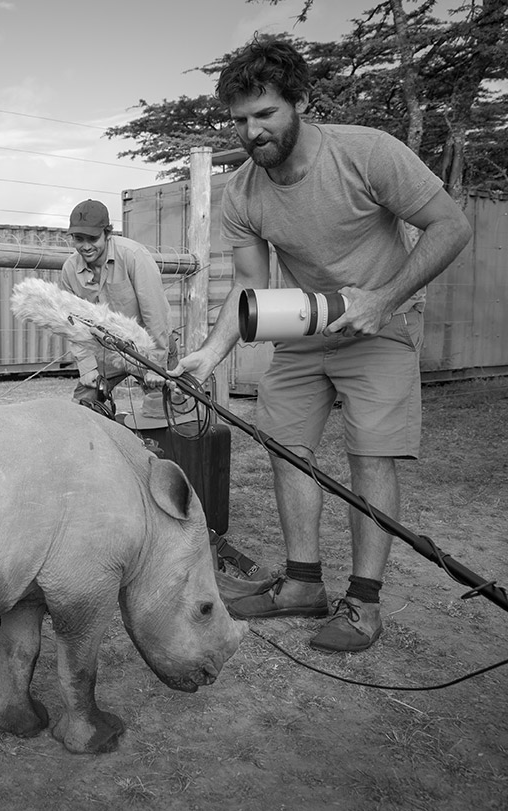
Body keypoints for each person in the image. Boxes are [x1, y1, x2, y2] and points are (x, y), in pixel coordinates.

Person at [172, 40, 472, 652]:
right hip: (304, 331)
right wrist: (210, 353)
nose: (252, 133)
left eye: (264, 115)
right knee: (286, 448)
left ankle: (364, 602)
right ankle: (302, 584)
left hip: (377, 329)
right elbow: (251, 287)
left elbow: (451, 225)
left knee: (371, 459)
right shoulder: (243, 193)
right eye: (239, 121)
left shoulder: (368, 152)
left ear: (301, 102)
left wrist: (383, 298)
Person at [59, 199, 171, 416]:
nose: (86, 246)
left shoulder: (133, 256)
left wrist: (156, 364)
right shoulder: (69, 270)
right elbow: (74, 326)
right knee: (84, 408)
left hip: (147, 345)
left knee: (164, 411)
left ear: (107, 233)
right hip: (106, 351)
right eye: (79, 239)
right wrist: (87, 367)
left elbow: (155, 313)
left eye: (93, 238)